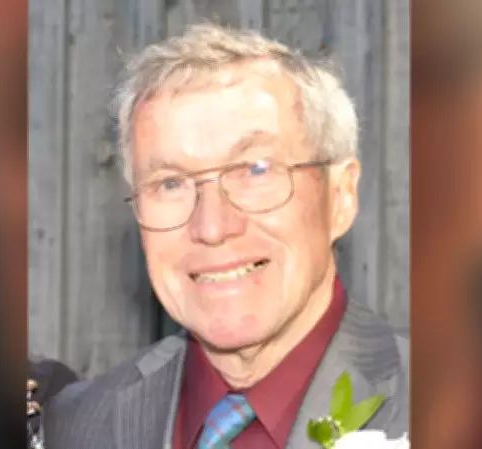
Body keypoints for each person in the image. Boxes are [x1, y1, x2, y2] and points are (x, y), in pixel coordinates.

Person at [44, 24, 409, 449]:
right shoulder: (77, 425)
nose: (212, 227)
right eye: (171, 183)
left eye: (255, 170)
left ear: (340, 196)